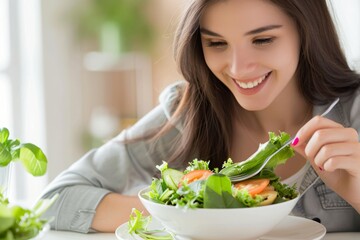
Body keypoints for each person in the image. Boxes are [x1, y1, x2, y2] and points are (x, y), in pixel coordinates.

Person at [40, 0, 360, 233]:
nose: (237, 68)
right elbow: (56, 200)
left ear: (307, 32)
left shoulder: (354, 111)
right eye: (217, 43)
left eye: (263, 40)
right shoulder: (188, 112)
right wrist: (190, 212)